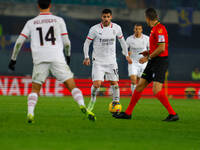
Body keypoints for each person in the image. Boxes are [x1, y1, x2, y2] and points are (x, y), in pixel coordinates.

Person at [8, 0, 95, 123]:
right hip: (56, 57)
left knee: (35, 89)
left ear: (38, 6)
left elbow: (18, 42)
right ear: (50, 5)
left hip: (40, 58)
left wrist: (13, 59)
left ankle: (30, 113)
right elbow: (67, 42)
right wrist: (68, 55)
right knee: (71, 85)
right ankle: (82, 105)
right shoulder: (58, 20)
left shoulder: (31, 23)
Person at [113, 8, 179, 121]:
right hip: (153, 61)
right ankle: (128, 113)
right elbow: (157, 47)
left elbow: (162, 48)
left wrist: (148, 57)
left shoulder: (159, 29)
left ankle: (173, 114)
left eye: (146, 18)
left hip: (160, 62)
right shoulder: (154, 29)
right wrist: (148, 52)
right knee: (139, 86)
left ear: (148, 18)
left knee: (156, 90)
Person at [83, 9, 132, 112]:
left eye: (108, 17)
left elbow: (122, 42)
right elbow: (87, 43)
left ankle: (116, 104)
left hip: (111, 61)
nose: (106, 19)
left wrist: (126, 54)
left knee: (114, 83)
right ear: (101, 17)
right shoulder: (94, 29)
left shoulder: (116, 28)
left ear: (111, 17)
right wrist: (86, 57)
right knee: (97, 84)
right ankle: (92, 102)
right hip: (98, 61)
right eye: (104, 17)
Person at [126, 24, 149, 93]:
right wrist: (127, 55)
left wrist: (146, 58)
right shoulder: (129, 39)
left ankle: (138, 95)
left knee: (140, 81)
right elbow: (124, 50)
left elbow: (151, 50)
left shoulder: (146, 38)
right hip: (132, 62)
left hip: (143, 62)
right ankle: (134, 96)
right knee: (133, 79)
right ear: (134, 30)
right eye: (136, 29)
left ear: (141, 30)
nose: (137, 31)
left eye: (139, 29)